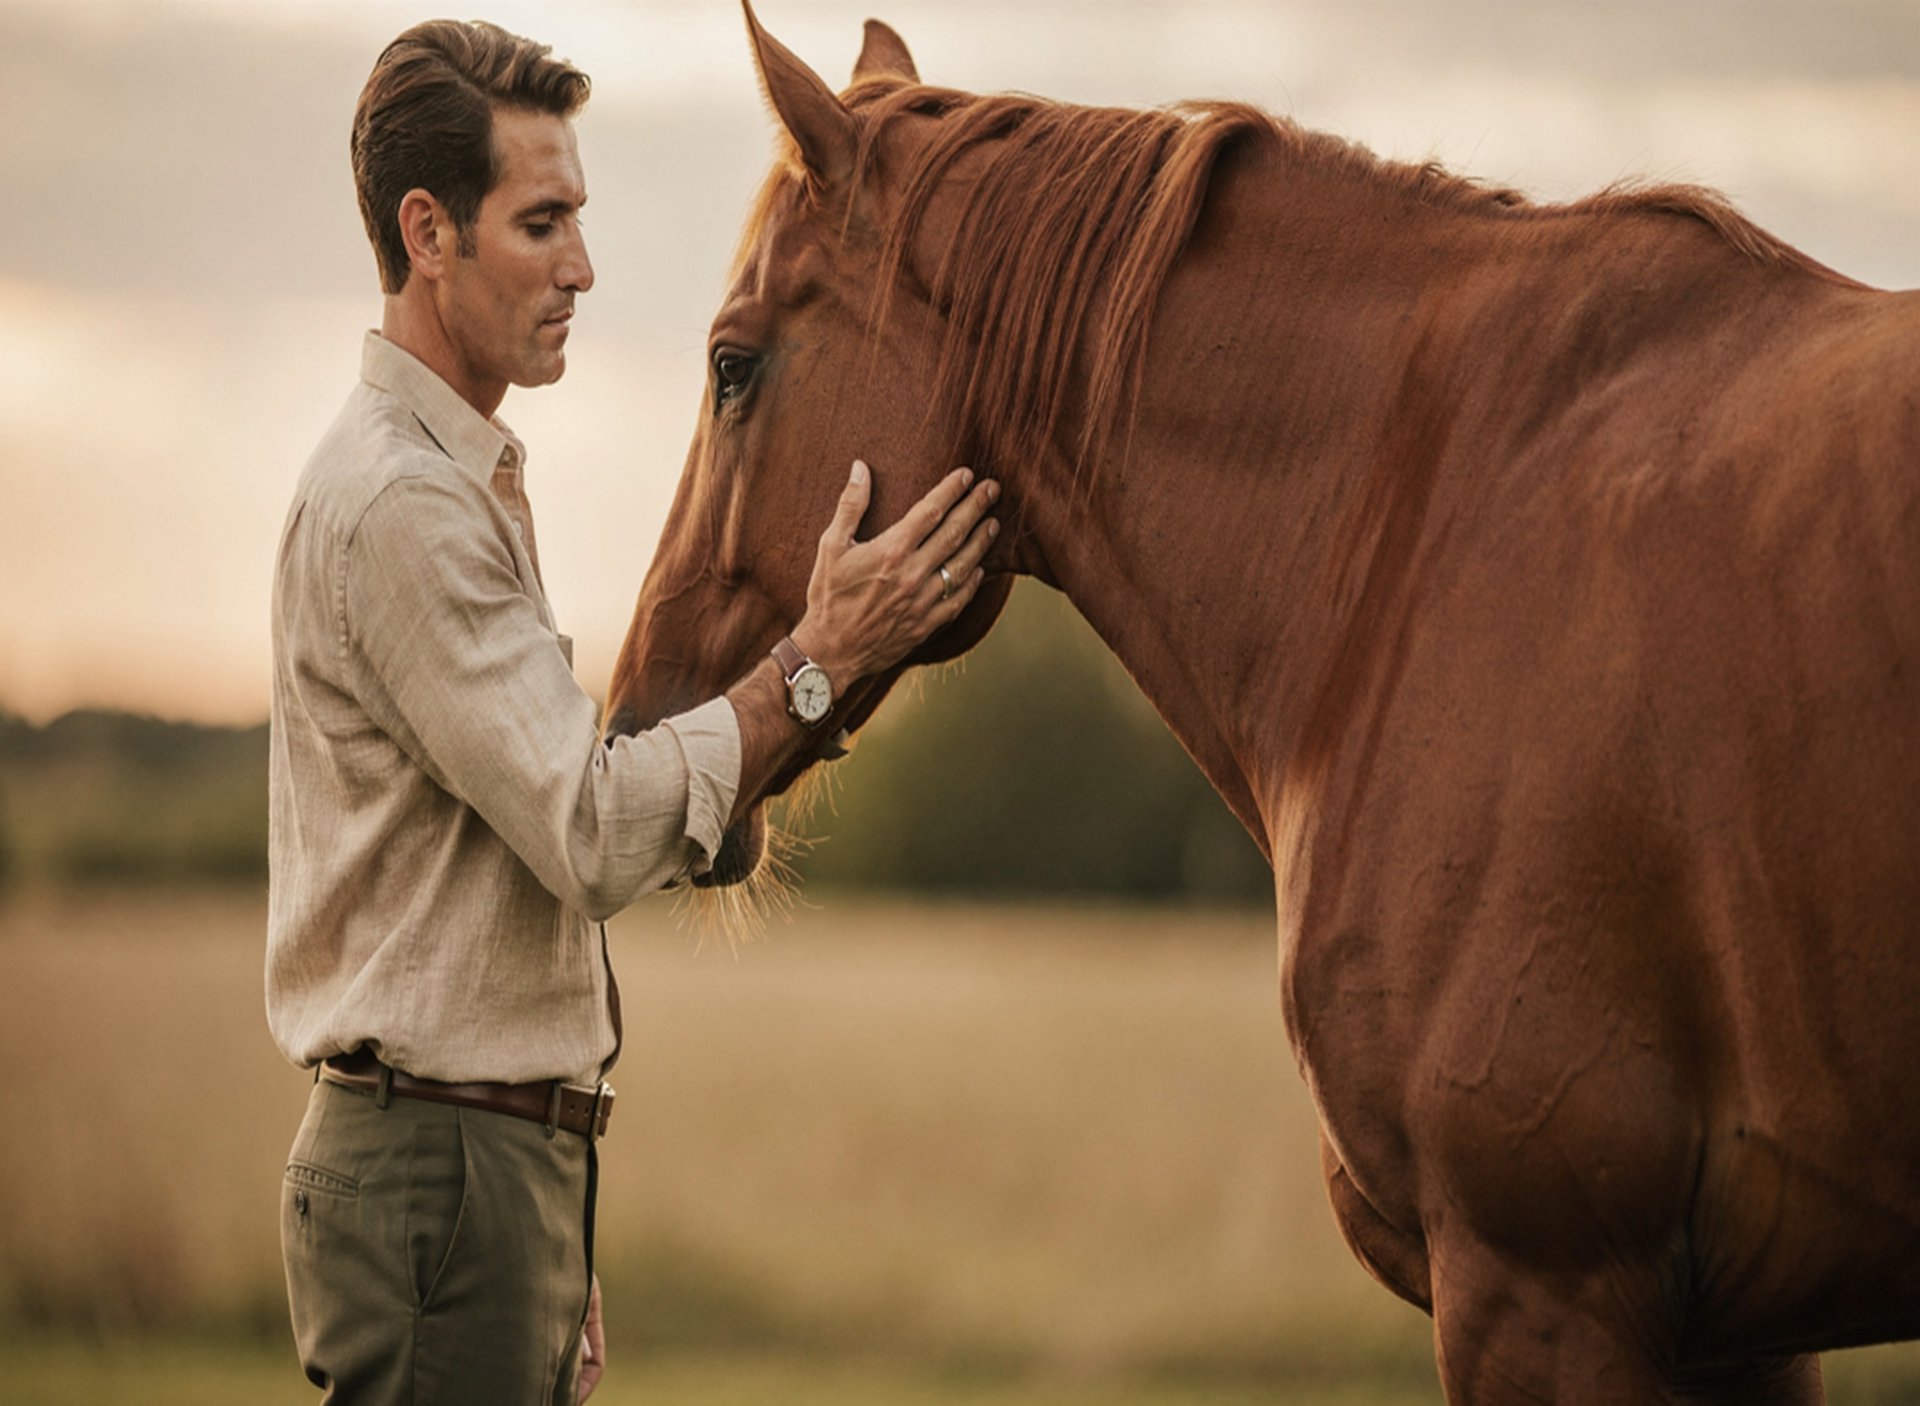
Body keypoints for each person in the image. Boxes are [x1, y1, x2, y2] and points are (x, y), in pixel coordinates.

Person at [266, 19, 998, 1404]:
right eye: (541, 222)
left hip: (484, 1172)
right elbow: (593, 834)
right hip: (445, 1170)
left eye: (580, 217)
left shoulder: (450, 480)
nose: (583, 266)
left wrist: (544, 1221)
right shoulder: (404, 506)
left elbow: (497, 882)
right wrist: (820, 657)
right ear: (428, 231)